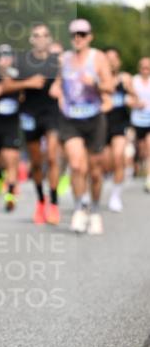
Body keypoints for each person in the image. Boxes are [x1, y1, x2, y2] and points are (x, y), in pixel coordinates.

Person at [50, 19, 113, 234]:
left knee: (95, 172)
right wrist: (56, 90)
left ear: (90, 36)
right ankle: (79, 208)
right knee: (77, 166)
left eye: (82, 34)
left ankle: (94, 211)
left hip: (94, 118)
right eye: (74, 34)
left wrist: (94, 82)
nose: (78, 38)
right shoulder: (65, 59)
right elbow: (58, 83)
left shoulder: (98, 58)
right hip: (70, 118)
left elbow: (110, 86)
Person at [3, 24, 62, 224]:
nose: (41, 39)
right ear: (31, 40)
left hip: (51, 113)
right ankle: (40, 201)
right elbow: (6, 84)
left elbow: (66, 80)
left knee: (52, 156)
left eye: (45, 35)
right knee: (36, 163)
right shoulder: (22, 61)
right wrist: (27, 83)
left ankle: (54, 202)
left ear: (50, 39)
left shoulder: (57, 62)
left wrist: (58, 85)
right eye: (36, 35)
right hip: (30, 113)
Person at [0, 45, 22, 212]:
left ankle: (10, 195)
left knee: (11, 157)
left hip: (12, 125)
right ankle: (0, 176)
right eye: (1, 56)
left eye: (8, 55)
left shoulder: (19, 77)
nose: (5, 59)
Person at [102, 47, 136, 212]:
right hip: (101, 124)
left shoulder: (125, 78)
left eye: (114, 58)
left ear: (119, 61)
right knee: (105, 162)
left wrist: (130, 94)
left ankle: (115, 196)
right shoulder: (99, 79)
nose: (111, 61)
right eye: (107, 58)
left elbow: (137, 100)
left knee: (118, 157)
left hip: (120, 123)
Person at [131, 56, 150, 193]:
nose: (145, 70)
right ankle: (138, 163)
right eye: (143, 67)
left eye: (148, 68)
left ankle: (149, 178)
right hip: (137, 120)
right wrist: (136, 103)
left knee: (149, 146)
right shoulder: (134, 81)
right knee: (141, 149)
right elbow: (129, 99)